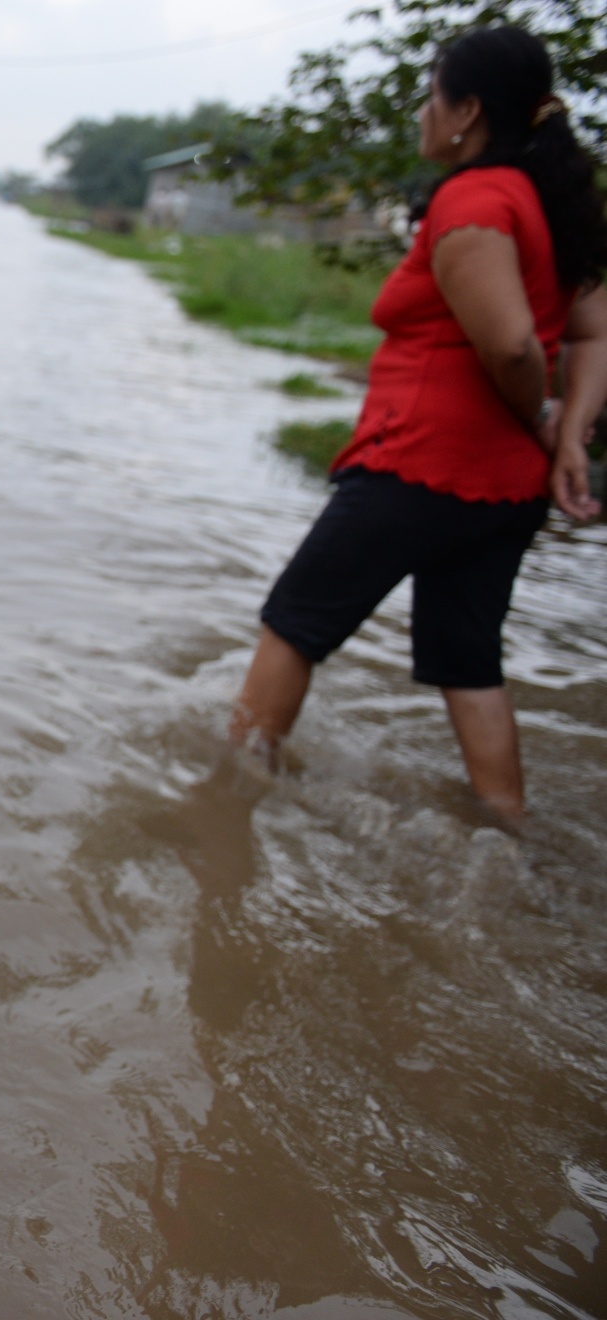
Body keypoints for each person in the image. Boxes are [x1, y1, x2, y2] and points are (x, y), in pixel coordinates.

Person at [229, 24, 607, 818]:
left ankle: (224, 801)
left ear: (465, 109)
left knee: (292, 623)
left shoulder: (472, 200)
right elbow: (590, 330)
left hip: (418, 465)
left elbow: (508, 347)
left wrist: (545, 415)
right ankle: (504, 821)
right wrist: (566, 435)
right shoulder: (549, 204)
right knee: (468, 661)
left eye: (431, 98)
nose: (423, 116)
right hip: (504, 491)